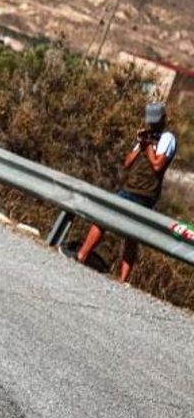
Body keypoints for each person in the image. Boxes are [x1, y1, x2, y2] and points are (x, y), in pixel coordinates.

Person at [72, 101, 178, 282]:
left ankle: (119, 277)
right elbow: (127, 162)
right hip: (130, 187)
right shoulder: (148, 136)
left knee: (127, 232)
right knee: (109, 220)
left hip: (146, 193)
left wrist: (149, 147)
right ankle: (84, 256)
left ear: (163, 119)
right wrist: (140, 144)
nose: (152, 124)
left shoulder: (168, 139)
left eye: (155, 121)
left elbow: (158, 165)